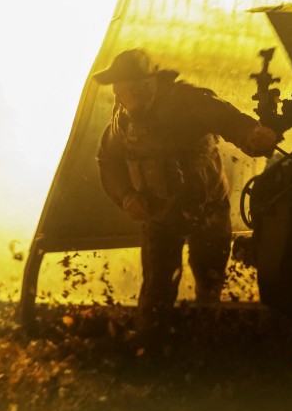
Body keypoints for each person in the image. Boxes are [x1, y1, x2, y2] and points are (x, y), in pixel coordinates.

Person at [93, 48, 278, 335]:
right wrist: (127, 197)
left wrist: (252, 136)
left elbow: (227, 119)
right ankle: (151, 352)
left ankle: (205, 348)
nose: (116, 95)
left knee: (210, 281)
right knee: (156, 289)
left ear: (143, 86)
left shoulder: (187, 102)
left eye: (121, 87)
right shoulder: (124, 118)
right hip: (160, 215)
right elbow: (108, 159)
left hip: (208, 211)